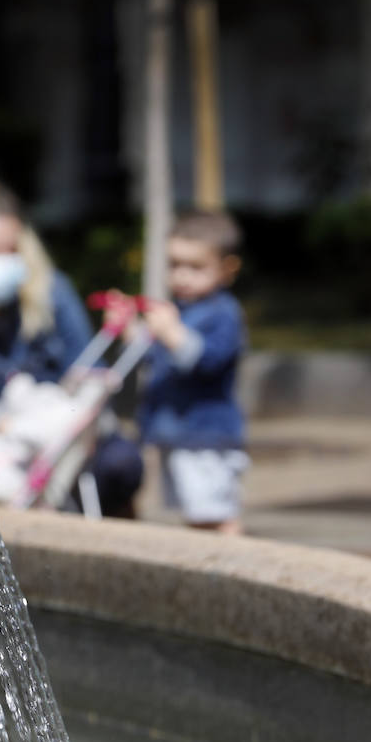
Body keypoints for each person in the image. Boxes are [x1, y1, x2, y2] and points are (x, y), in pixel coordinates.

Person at [0, 173, 143, 518]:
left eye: (13, 249)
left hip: (56, 430)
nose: (4, 261)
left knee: (120, 462)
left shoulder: (52, 292)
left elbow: (87, 370)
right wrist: (17, 429)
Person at [136, 210, 248, 534]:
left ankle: (236, 572)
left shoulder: (223, 313)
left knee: (215, 514)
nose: (182, 276)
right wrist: (135, 333)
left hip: (206, 437)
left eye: (196, 267)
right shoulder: (178, 310)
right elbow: (157, 360)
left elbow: (208, 361)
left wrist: (172, 334)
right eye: (174, 265)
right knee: (196, 514)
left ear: (227, 269)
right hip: (178, 436)